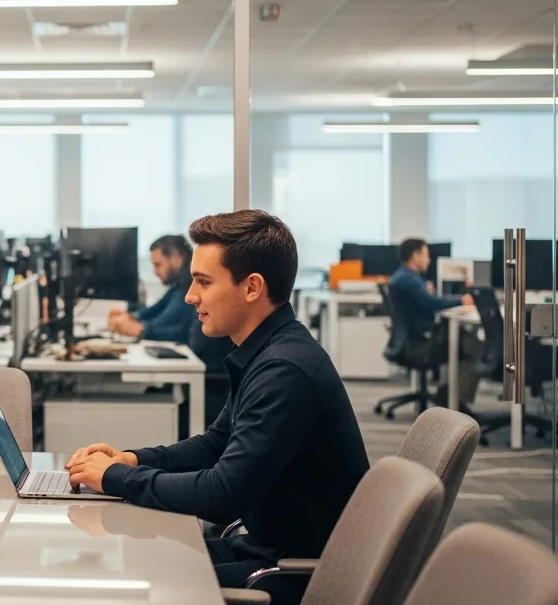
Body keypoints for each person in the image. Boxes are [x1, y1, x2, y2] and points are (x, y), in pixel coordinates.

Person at [64, 210, 369, 598]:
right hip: (268, 547)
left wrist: (115, 478)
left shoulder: (285, 370)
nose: (190, 295)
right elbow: (215, 444)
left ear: (252, 287)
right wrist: (132, 460)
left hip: (297, 572)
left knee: (138, 583)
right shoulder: (266, 352)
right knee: (136, 557)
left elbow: (222, 496)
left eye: (204, 282)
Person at [388, 238, 477, 409]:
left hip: (412, 340)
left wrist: (426, 291)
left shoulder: (404, 277)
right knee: (476, 349)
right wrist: (462, 300)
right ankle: (454, 399)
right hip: (421, 343)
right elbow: (433, 303)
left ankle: (448, 393)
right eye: (426, 255)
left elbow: (426, 301)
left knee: (464, 342)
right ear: (415, 256)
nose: (428, 260)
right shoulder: (409, 280)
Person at [108, 235, 197, 343]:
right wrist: (132, 317)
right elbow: (156, 309)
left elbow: (163, 322)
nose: (155, 272)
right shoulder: (178, 285)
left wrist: (140, 329)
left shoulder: (189, 286)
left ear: (176, 259)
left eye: (157, 265)